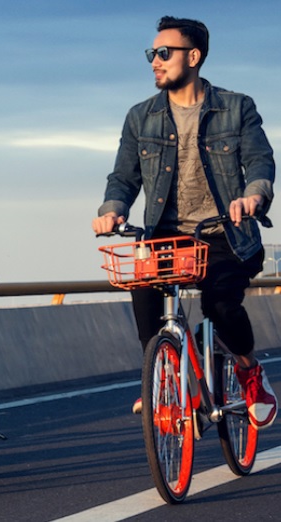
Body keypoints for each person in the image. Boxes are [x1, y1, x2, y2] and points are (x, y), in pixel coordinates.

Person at [92, 16, 277, 428]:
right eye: (151, 54)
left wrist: (254, 195)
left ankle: (249, 371)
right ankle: (161, 382)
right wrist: (112, 209)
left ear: (193, 57)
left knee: (220, 305)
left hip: (225, 234)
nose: (154, 62)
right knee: (143, 293)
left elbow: (259, 160)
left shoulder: (237, 107)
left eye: (163, 53)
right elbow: (123, 177)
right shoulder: (140, 117)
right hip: (167, 235)